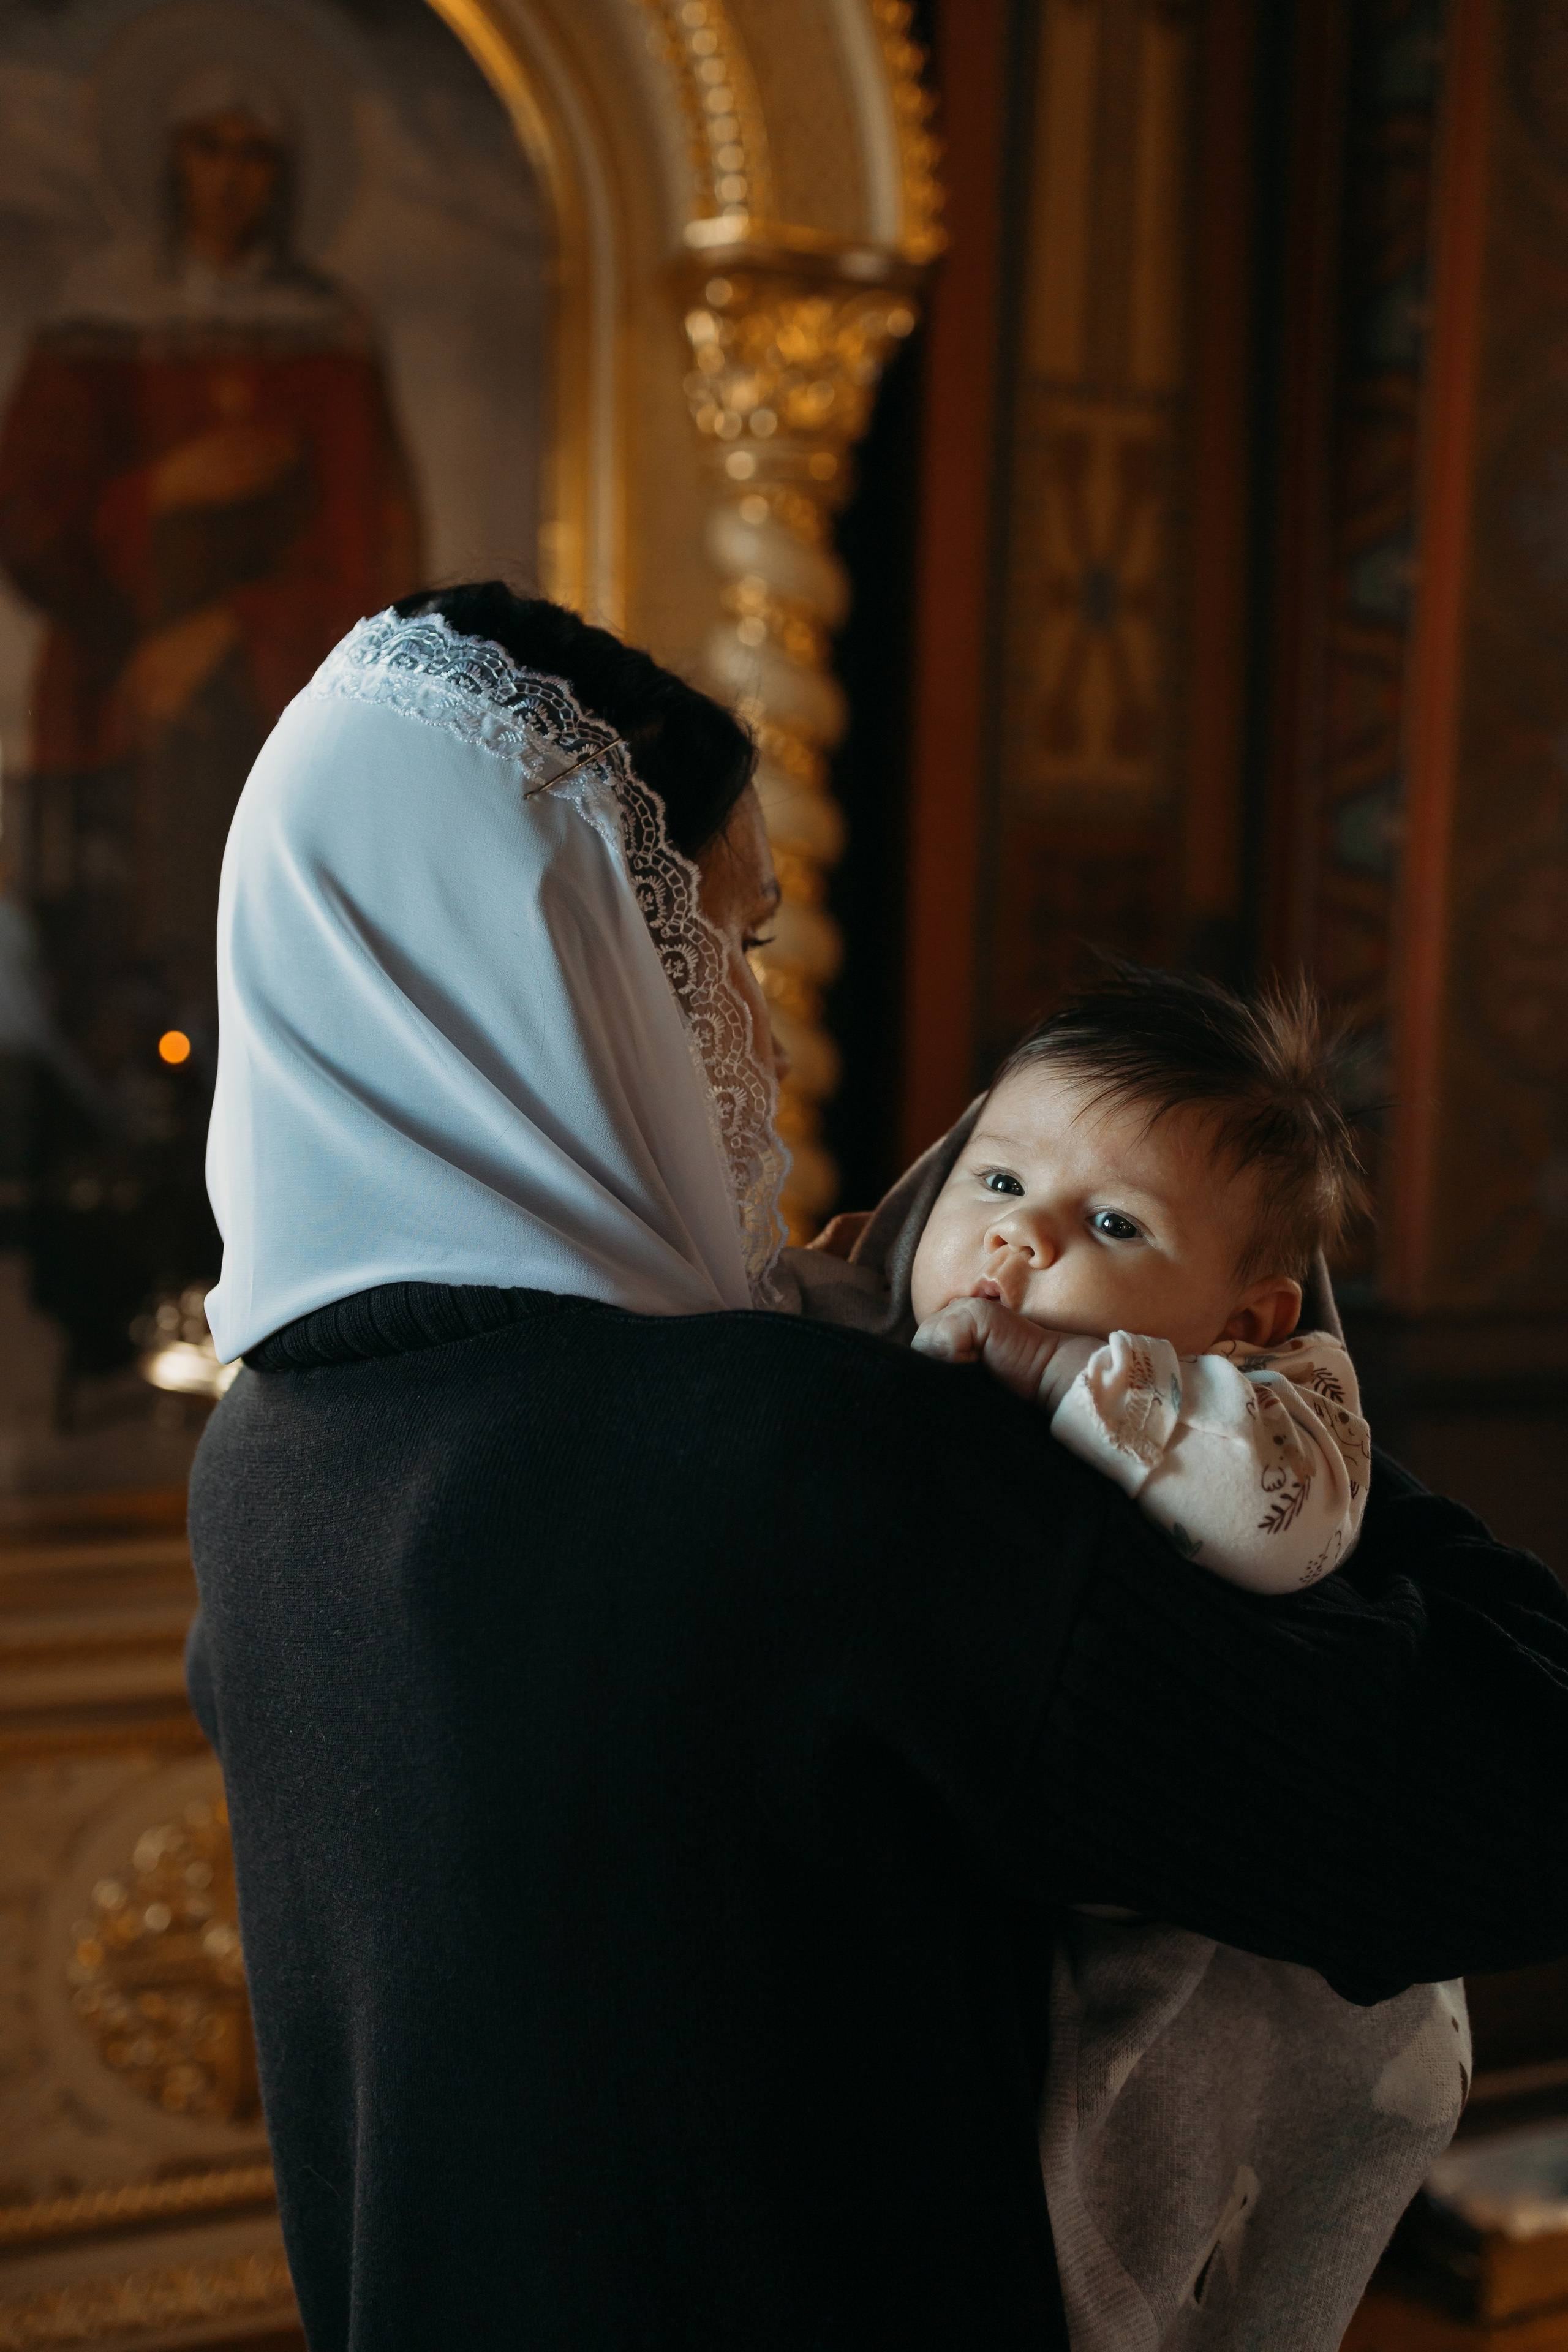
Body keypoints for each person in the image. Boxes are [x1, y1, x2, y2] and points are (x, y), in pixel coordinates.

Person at [188, 585, 1568, 2352]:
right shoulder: (779, 1456)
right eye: (730, 955)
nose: (760, 1045)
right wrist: (1275, 1386)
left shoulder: (267, 1456)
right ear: (572, 971)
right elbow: (1507, 1806)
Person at [774, 967, 1461, 2350]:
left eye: (1106, 1222)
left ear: (1247, 1318)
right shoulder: (870, 1327)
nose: (1017, 1241)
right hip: (959, 1888)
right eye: (994, 1180)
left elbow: (1280, 1533)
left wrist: (1061, 1379)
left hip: (1195, 1899)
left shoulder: (1269, 1413)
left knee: (1132, 2172)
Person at [0, 61, 418, 1365]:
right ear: (167, 161)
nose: (229, 175)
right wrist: (165, 489)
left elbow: (376, 549)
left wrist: (228, 626)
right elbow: (30, 526)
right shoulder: (93, 325)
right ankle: (110, 1302)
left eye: (253, 151)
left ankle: (248, 1290)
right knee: (110, 992)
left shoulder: (325, 331)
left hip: (271, 716)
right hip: (112, 721)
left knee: (257, 1001)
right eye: (205, 147)